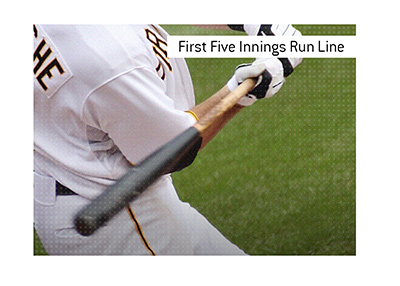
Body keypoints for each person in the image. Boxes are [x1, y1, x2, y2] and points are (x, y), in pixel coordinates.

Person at [34, 24, 302, 255]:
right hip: (117, 215)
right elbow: (172, 149)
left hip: (64, 177)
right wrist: (243, 92)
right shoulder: (106, 60)